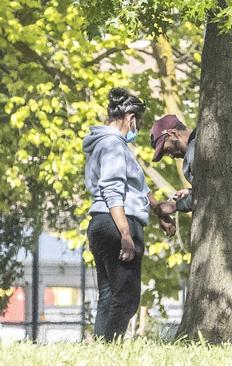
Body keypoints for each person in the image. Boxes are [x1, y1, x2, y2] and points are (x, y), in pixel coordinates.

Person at [150, 115, 232, 311]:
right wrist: (190, 192)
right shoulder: (215, 140)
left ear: (173, 134)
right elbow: (224, 183)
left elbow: (211, 192)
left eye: (166, 148)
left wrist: (175, 206)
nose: (170, 155)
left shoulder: (197, 148)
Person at [83, 88, 175, 341]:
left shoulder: (103, 144)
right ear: (130, 118)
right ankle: (109, 349)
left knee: (110, 294)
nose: (139, 128)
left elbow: (136, 187)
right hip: (118, 223)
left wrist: (158, 210)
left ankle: (100, 350)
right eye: (140, 122)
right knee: (127, 296)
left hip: (101, 222)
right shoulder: (113, 145)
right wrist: (125, 233)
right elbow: (113, 190)